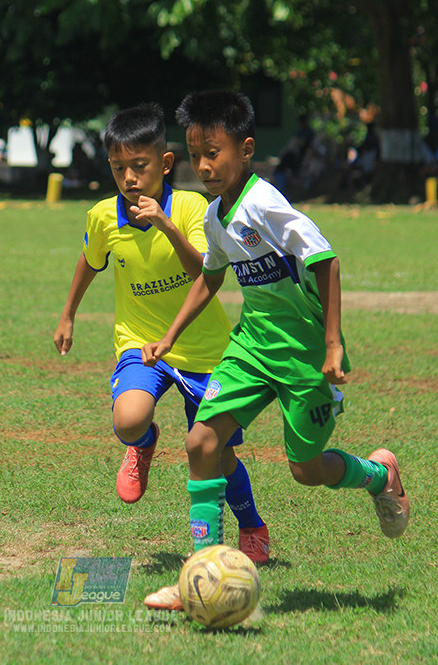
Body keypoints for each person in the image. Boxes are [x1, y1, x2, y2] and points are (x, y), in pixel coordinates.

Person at [140, 90, 410, 610]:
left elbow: (326, 259)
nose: (203, 165)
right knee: (200, 444)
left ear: (245, 149)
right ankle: (200, 572)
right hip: (252, 345)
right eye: (195, 153)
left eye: (213, 151)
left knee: (305, 469)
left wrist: (332, 344)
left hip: (306, 354)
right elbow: (210, 278)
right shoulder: (216, 218)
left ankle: (379, 474)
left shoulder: (264, 203)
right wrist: (170, 336)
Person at [53, 103, 270, 574]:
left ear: (166, 164)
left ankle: (251, 525)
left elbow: (203, 273)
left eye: (140, 166)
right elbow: (89, 262)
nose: (129, 178)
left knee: (217, 451)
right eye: (118, 168)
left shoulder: (193, 208)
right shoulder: (102, 217)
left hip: (204, 348)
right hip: (141, 341)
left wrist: (165, 225)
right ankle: (144, 442)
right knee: (129, 419)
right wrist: (68, 314)